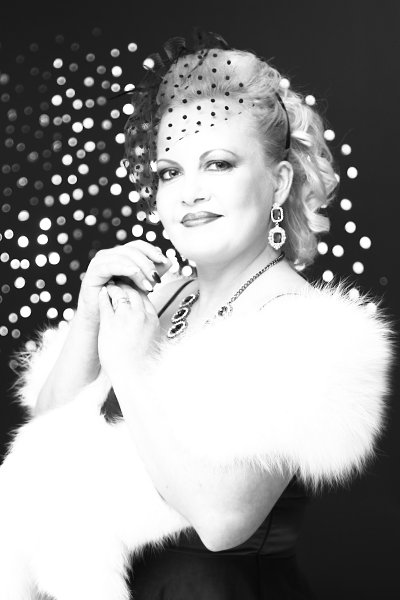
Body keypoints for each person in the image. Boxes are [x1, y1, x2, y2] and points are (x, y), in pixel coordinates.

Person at [1, 30, 394, 600]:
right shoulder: (163, 297)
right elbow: (48, 439)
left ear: (278, 181)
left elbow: (221, 521)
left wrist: (132, 368)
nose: (189, 192)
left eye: (218, 164)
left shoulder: (307, 330)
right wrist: (89, 319)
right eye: (170, 171)